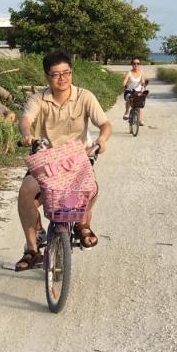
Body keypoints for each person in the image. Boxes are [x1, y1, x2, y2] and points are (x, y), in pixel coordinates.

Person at [14, 51, 112, 271]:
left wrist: (102, 139)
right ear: (47, 76)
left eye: (66, 73)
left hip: (77, 158)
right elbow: (26, 119)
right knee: (26, 191)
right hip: (46, 159)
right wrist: (26, 133)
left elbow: (104, 123)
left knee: (91, 188)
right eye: (56, 74)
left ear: (71, 73)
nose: (62, 78)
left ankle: (82, 224)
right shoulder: (38, 98)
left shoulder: (84, 96)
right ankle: (32, 248)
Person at [121, 57, 149, 127]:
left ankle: (140, 120)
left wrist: (143, 84)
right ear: (132, 64)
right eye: (134, 63)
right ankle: (127, 112)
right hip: (129, 91)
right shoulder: (129, 73)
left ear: (139, 64)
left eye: (138, 63)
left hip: (138, 92)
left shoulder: (141, 72)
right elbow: (125, 81)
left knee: (139, 104)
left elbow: (143, 80)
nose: (136, 65)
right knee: (129, 98)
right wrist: (124, 84)